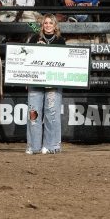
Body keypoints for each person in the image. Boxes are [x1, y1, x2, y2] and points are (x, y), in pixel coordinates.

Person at [26, 14, 66, 155]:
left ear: (55, 26)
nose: (48, 25)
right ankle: (33, 146)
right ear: (42, 25)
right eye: (45, 23)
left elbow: (63, 61)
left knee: (52, 113)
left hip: (53, 81)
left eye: (50, 23)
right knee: (33, 113)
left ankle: (52, 145)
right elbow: (27, 58)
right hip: (35, 80)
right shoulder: (33, 39)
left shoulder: (61, 41)